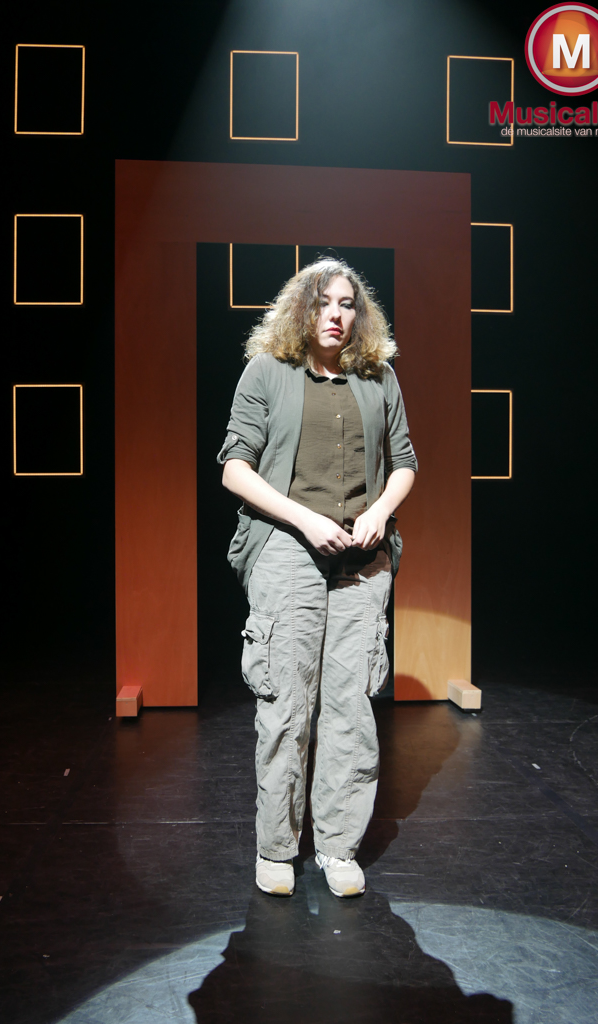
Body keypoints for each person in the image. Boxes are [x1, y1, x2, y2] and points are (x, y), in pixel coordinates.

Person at [217, 258, 417, 898]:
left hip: (362, 556)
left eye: (347, 304)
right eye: (325, 303)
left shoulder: (378, 377)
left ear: (360, 314)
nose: (336, 314)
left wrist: (380, 512)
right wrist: (305, 519)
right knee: (286, 703)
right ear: (303, 310)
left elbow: (404, 462)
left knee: (351, 707)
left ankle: (337, 846)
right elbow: (235, 468)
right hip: (287, 549)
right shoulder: (267, 371)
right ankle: (277, 847)